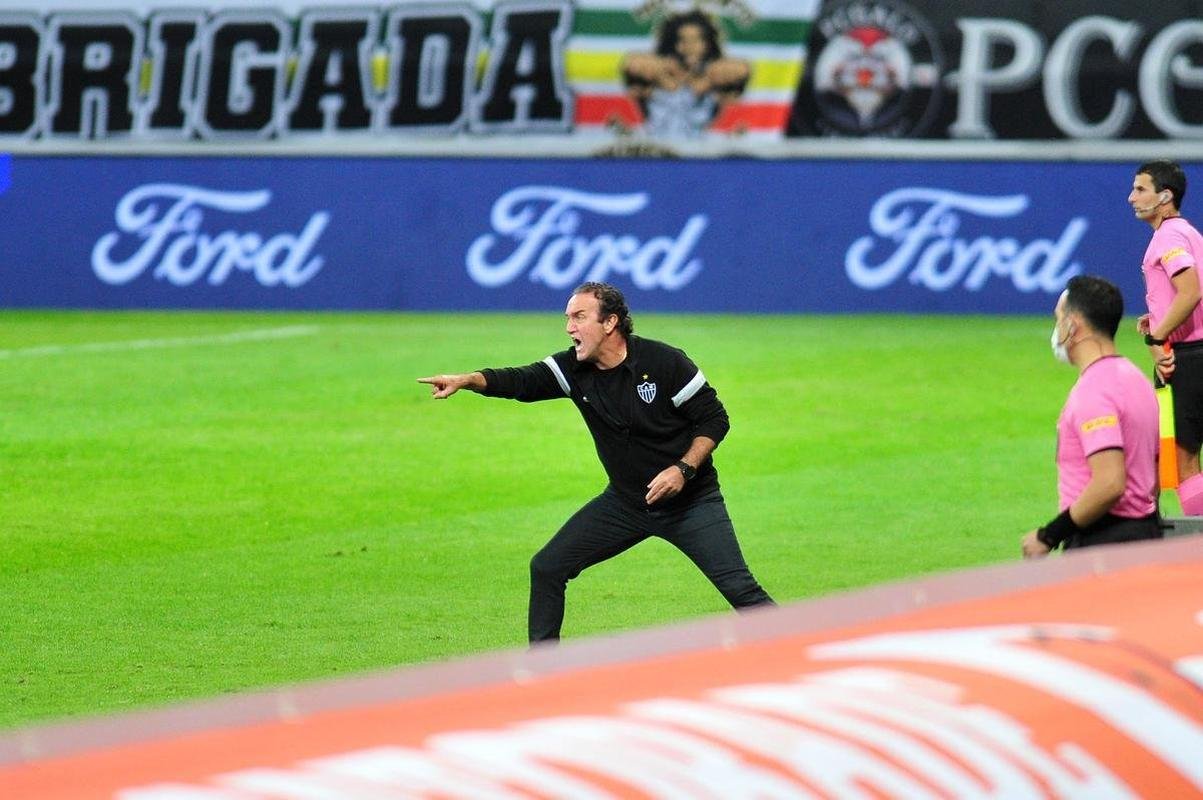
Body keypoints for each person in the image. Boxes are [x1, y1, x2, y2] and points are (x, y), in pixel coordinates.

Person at [417, 282, 774, 642]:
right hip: (626, 504)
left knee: (740, 589)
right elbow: (520, 381)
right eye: (567, 318)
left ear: (610, 322)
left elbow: (714, 419)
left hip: (691, 504)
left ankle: (799, 647)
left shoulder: (664, 362)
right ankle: (543, 666)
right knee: (547, 567)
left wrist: (683, 469)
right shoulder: (573, 368)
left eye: (578, 317)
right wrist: (468, 380)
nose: (568, 327)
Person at [1022, 276, 1162, 558]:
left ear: (1073, 325)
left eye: (1059, 319)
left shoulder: (1094, 391)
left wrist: (1048, 536)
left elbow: (1110, 483)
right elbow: (1153, 478)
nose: (1057, 329)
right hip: (1146, 533)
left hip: (1103, 545)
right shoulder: (1138, 381)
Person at [1130, 159, 1203, 514]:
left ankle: (1196, 542)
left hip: (1188, 358)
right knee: (1171, 453)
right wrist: (1159, 316)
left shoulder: (1169, 237)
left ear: (1165, 196)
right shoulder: (1188, 232)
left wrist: (1157, 338)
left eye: (1140, 189)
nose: (1132, 197)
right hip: (1194, 352)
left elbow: (1191, 291)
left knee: (1183, 459)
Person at [621, 10, 749, 138]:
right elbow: (634, 64)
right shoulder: (654, 70)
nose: (689, 46)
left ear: (708, 43)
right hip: (652, 147)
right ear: (670, 42)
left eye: (696, 40)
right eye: (681, 40)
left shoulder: (716, 74)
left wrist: (703, 79)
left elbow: (740, 70)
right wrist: (667, 74)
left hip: (701, 148)